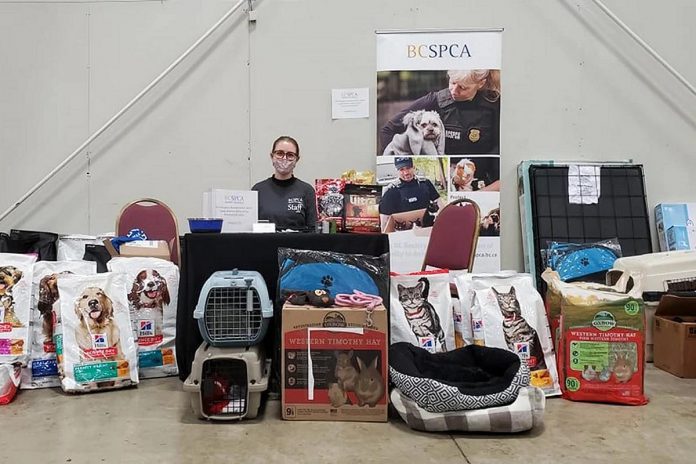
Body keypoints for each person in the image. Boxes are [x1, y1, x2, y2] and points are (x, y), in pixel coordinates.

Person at [380, 69, 500, 155]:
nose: (454, 91)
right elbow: (389, 129)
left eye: (462, 88)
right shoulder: (435, 100)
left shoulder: (494, 104)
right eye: (452, 83)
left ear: (481, 83)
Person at [252, 136, 317, 231]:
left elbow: (313, 228)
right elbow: (249, 227)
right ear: (272, 156)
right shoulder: (258, 190)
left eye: (290, 155)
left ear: (297, 159)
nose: (284, 158)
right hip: (264, 244)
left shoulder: (307, 190)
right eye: (279, 153)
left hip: (296, 245)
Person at [379, 157, 445, 232]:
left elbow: (440, 204)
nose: (406, 172)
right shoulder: (390, 190)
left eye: (408, 168)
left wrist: (440, 217)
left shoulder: (425, 183)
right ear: (397, 171)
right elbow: (384, 220)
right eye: (402, 169)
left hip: (427, 229)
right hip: (403, 233)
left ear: (413, 167)